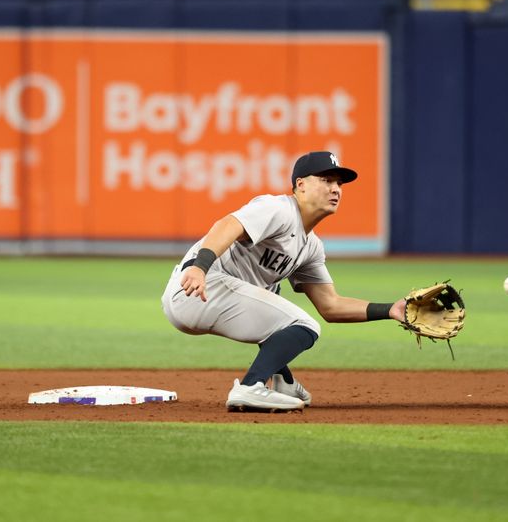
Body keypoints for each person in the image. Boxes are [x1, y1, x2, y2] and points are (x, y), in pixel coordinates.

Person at [161, 151, 406, 411]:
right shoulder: (278, 209)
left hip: (210, 296)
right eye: (326, 180)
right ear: (300, 184)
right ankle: (250, 387)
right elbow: (227, 225)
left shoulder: (311, 247)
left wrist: (390, 310)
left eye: (339, 183)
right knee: (303, 324)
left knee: (275, 299)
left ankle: (283, 381)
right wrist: (200, 267)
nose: (335, 189)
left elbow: (331, 306)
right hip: (199, 286)